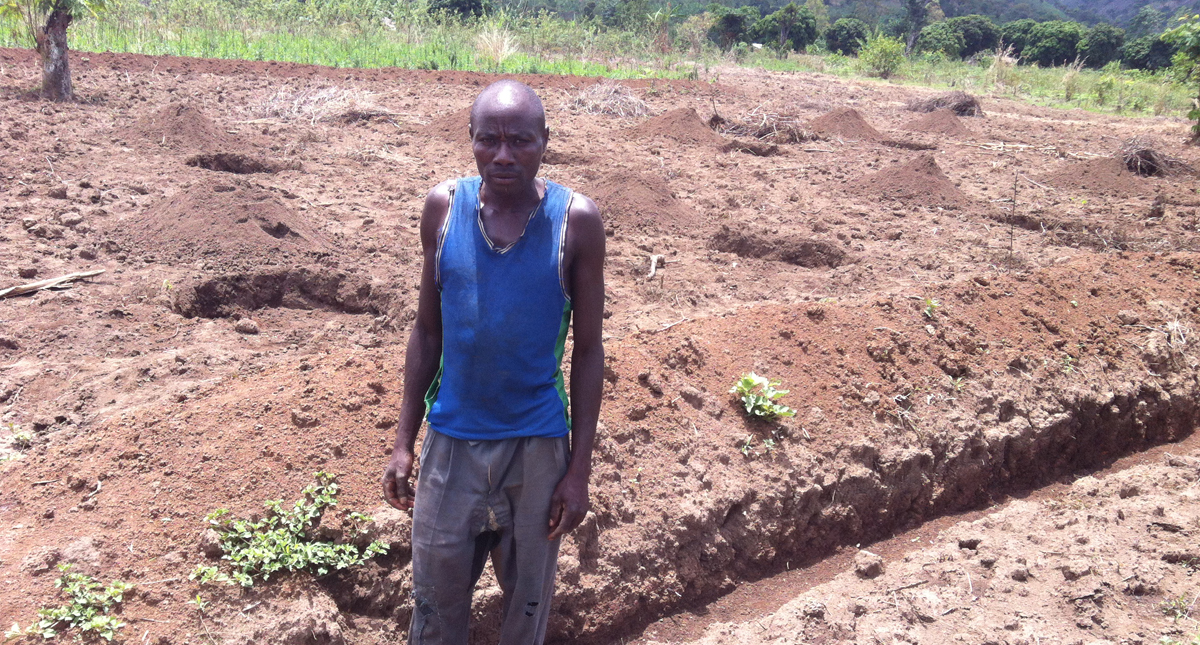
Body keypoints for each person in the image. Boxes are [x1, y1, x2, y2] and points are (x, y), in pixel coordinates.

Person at [382, 80, 605, 645]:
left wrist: (577, 471)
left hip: (537, 452)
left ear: (546, 143)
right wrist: (404, 439)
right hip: (450, 447)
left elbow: (589, 350)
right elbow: (427, 331)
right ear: (473, 141)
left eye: (520, 142)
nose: (504, 156)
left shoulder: (576, 222)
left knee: (525, 613)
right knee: (433, 612)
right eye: (490, 141)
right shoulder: (444, 209)